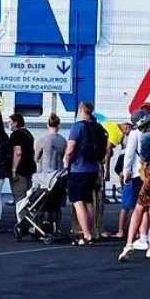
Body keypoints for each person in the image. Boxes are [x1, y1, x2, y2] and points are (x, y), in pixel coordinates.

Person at [119, 108, 150, 261]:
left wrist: (127, 172)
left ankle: (131, 242)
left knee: (140, 208)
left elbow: (138, 156)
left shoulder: (142, 136)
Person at [63, 102, 105, 245]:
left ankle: (86, 234)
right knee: (88, 202)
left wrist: (66, 162)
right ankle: (91, 231)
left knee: (77, 201)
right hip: (93, 168)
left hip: (78, 168)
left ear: (80, 109)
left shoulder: (78, 126)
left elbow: (70, 149)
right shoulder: (97, 126)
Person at [8, 113, 37, 234]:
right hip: (30, 168)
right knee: (29, 198)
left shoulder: (16, 135)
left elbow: (17, 152)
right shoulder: (28, 134)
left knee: (20, 198)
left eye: (9, 122)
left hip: (20, 170)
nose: (8, 124)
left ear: (15, 123)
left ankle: (21, 225)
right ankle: (32, 224)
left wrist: (14, 169)